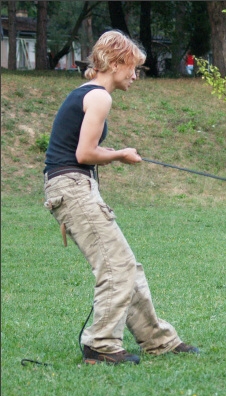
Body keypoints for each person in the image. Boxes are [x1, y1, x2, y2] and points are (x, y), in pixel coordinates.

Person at [43, 30, 199, 365]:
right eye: (132, 67)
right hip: (72, 187)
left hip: (70, 186)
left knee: (128, 267)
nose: (135, 75)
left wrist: (111, 152)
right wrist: (120, 154)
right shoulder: (100, 97)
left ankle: (159, 340)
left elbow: (81, 149)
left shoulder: (88, 94)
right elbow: (84, 153)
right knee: (116, 267)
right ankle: (100, 345)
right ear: (115, 62)